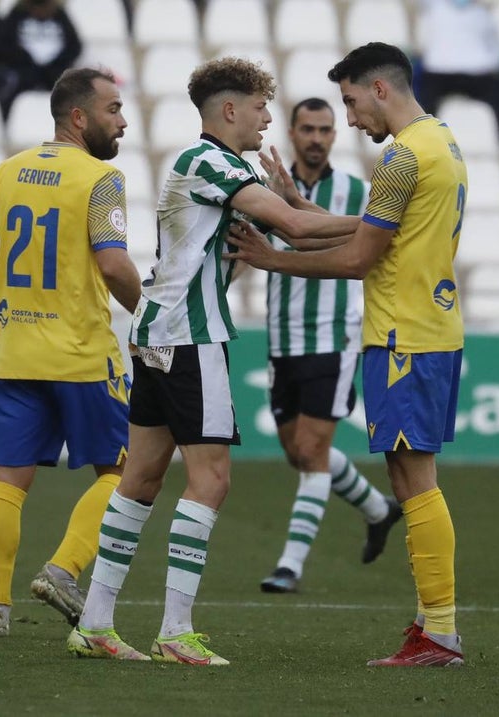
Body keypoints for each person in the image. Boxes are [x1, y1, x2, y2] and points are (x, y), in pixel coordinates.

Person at [66, 57, 362, 666]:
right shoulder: (213, 163)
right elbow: (294, 228)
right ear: (229, 109)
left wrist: (300, 204)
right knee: (212, 480)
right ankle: (175, 632)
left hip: (156, 332)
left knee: (140, 479)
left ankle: (95, 623)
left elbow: (293, 225)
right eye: (259, 107)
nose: (266, 120)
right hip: (190, 337)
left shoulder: (210, 166)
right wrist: (391, 222)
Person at [226, 42, 467, 668]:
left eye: (352, 103)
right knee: (409, 479)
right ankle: (432, 622)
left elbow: (361, 257)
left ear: (379, 89)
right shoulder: (441, 142)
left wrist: (272, 257)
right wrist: (300, 210)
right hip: (431, 329)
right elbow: (375, 229)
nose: (352, 119)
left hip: (403, 337)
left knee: (415, 481)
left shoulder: (402, 156)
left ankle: (440, 633)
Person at [0, 66, 141, 638]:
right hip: (82, 355)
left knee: (7, 480)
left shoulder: (5, 173)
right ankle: (62, 571)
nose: (123, 122)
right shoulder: (101, 178)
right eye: (113, 110)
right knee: (128, 471)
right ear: (78, 118)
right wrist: (156, 316)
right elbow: (113, 265)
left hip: (16, 354)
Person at [259, 97, 403, 595]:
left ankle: (290, 566)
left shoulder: (357, 192)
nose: (317, 138)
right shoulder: (265, 192)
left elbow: (361, 251)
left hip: (333, 335)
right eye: (308, 129)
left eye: (325, 129)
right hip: (281, 337)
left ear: (334, 136)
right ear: (293, 133)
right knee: (298, 452)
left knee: (311, 448)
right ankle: (379, 509)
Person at [416, 0, 499, 146]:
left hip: (476, 73)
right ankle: (421, 135)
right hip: (440, 71)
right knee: (425, 96)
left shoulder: (482, 14)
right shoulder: (435, 5)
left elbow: (495, 48)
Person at [0, 0, 83, 100]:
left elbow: (74, 46)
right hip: (24, 70)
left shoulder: (60, 16)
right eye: (37, 7)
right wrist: (25, 61)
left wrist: (56, 64)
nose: (41, 11)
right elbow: (5, 44)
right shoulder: (17, 15)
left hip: (55, 71)